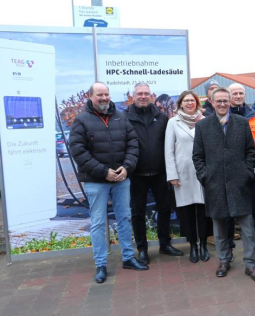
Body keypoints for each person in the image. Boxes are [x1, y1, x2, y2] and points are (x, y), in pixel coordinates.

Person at [69, 82, 148, 284]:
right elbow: (78, 152)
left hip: (121, 178)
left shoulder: (121, 117)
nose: (104, 98)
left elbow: (133, 144)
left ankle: (128, 258)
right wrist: (104, 172)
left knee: (124, 218)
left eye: (106, 94)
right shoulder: (81, 121)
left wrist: (127, 167)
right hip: (97, 181)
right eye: (99, 95)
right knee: (97, 223)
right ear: (91, 96)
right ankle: (101, 264)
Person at [192, 87, 255, 282]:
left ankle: (250, 264)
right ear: (212, 103)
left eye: (226, 101)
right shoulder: (203, 126)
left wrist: (247, 173)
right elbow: (197, 156)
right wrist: (205, 176)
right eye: (219, 101)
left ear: (230, 102)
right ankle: (224, 260)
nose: (222, 104)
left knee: (248, 229)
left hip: (240, 184)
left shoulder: (242, 123)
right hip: (215, 185)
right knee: (220, 228)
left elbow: (251, 151)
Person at [126, 83, 184, 265]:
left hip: (160, 172)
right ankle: (142, 249)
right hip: (137, 174)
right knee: (137, 213)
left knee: (165, 209)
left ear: (151, 96)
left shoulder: (161, 117)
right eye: (139, 93)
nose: (143, 96)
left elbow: (170, 144)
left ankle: (164, 244)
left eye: (146, 93)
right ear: (134, 96)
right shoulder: (125, 117)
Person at [165, 90, 208, 263]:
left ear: (197, 103)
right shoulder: (172, 123)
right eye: (186, 100)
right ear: (180, 103)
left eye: (193, 100)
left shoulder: (205, 121)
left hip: (203, 172)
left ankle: (204, 244)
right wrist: (172, 174)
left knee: (203, 211)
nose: (190, 103)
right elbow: (168, 151)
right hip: (182, 173)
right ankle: (193, 246)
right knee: (187, 211)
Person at [229, 83, 255, 257]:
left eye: (241, 93)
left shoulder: (254, 116)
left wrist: (250, 159)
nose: (238, 96)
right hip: (230, 169)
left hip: (253, 167)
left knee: (254, 206)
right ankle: (229, 246)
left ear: (245, 95)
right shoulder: (223, 115)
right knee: (229, 207)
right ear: (229, 95)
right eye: (235, 93)